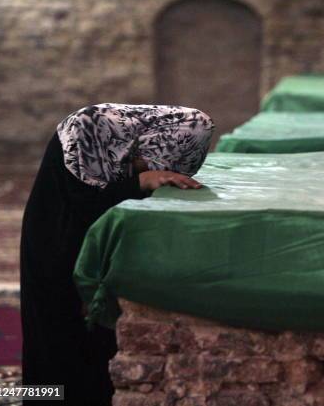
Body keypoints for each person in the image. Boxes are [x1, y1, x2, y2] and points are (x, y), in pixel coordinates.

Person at [20, 103, 214, 405]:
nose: (147, 168)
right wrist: (137, 182)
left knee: (88, 350)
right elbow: (83, 208)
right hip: (56, 244)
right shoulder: (88, 130)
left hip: (76, 243)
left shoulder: (124, 140)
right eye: (151, 161)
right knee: (55, 336)